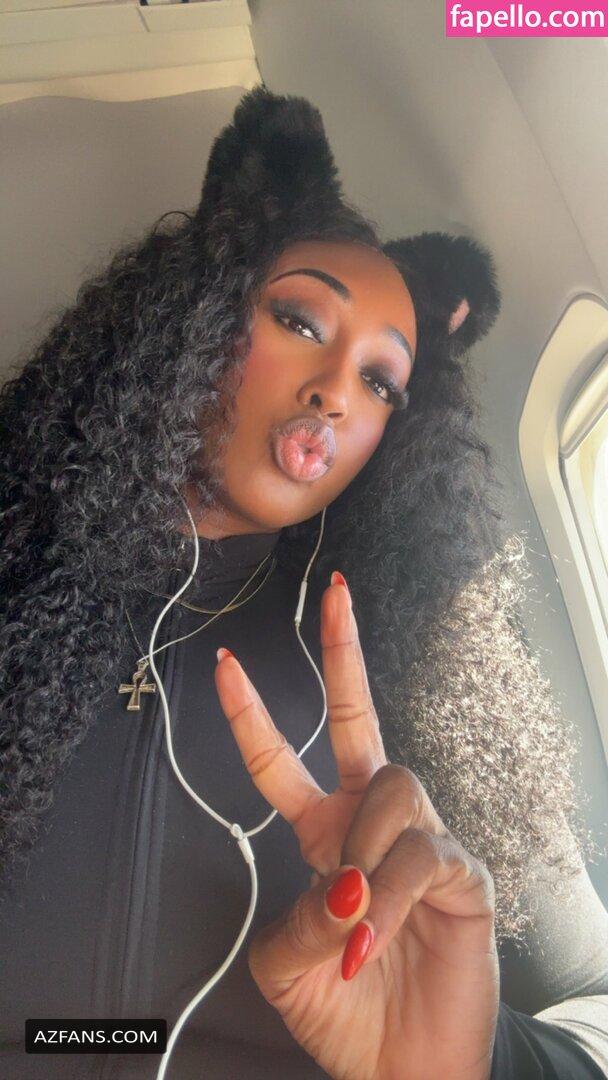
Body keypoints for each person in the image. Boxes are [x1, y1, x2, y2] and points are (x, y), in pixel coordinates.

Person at [1, 85, 607, 1079]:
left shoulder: (424, 682)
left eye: (379, 380)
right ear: (191, 320)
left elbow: (594, 1000)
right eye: (298, 319)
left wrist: (476, 1059)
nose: (335, 391)